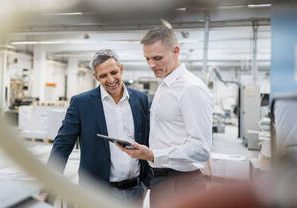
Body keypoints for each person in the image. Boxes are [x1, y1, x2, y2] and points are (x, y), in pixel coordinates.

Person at [117, 26, 213, 207]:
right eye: (147, 59)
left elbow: (201, 148)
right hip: (162, 179)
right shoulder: (165, 85)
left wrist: (153, 154)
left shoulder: (190, 88)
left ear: (175, 51)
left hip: (181, 183)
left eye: (157, 58)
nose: (151, 64)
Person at [47, 49, 150, 206]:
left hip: (135, 191)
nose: (110, 79)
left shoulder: (140, 99)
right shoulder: (82, 103)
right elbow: (62, 144)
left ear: (121, 69)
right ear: (95, 77)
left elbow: (147, 137)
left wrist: (148, 180)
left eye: (113, 72)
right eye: (103, 76)